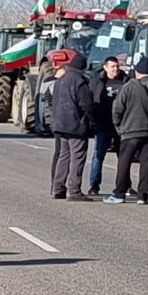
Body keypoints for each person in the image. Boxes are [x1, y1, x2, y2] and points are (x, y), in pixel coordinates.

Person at [105, 56, 148, 203]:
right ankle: (142, 195)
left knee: (124, 162)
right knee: (147, 163)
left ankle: (119, 193)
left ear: (137, 72)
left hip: (130, 130)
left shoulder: (129, 87)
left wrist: (119, 127)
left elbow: (117, 109)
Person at [46, 48, 93, 200]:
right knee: (77, 156)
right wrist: (92, 120)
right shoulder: (80, 82)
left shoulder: (60, 81)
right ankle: (74, 190)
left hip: (60, 124)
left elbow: (53, 101)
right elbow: (86, 105)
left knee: (63, 156)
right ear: (83, 67)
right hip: (75, 125)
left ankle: (57, 188)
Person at [85, 55, 124, 196]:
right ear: (105, 67)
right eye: (113, 67)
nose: (116, 69)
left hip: (121, 125)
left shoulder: (126, 81)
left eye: (117, 67)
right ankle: (94, 185)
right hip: (103, 124)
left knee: (124, 157)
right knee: (98, 155)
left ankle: (125, 185)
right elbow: (90, 99)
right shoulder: (97, 81)